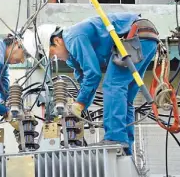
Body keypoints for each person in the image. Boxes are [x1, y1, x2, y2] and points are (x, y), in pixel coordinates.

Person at [24, 14, 159, 155]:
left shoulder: (73, 38)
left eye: (53, 54)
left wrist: (80, 104)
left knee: (113, 85)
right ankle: (126, 147)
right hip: (147, 39)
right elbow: (84, 79)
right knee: (125, 99)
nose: (56, 58)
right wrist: (80, 106)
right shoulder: (72, 52)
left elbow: (93, 74)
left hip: (135, 37)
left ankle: (115, 138)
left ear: (57, 41)